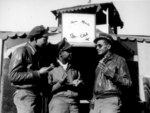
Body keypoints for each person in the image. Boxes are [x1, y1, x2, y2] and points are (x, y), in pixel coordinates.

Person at [8, 25, 54, 113]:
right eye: (45, 39)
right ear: (35, 38)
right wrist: (38, 73)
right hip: (25, 94)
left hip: (36, 95)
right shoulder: (21, 51)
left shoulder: (37, 54)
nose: (47, 42)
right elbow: (13, 76)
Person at [89, 33, 132, 113]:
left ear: (108, 47)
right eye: (96, 46)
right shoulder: (99, 64)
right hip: (96, 101)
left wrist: (111, 74)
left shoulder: (119, 60)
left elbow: (128, 83)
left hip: (110, 100)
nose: (97, 48)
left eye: (100, 46)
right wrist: (92, 101)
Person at [48, 38, 82, 113]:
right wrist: (60, 84)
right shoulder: (51, 68)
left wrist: (79, 83)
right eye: (68, 51)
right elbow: (47, 90)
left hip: (74, 103)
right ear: (60, 53)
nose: (71, 53)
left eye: (71, 51)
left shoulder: (74, 68)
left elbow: (81, 84)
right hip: (58, 103)